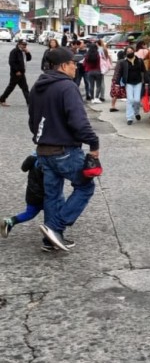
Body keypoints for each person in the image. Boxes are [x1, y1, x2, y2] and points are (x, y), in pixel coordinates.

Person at [28, 47, 100, 251]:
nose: (76, 67)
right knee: (85, 186)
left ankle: (50, 239)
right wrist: (93, 143)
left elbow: (32, 121)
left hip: (43, 150)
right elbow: (79, 121)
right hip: (64, 150)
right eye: (72, 63)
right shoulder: (67, 87)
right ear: (62, 66)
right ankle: (56, 227)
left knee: (53, 194)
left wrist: (42, 137)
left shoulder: (37, 87)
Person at [1, 155, 44, 243]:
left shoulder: (33, 157)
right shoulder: (49, 160)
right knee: (55, 211)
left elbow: (24, 168)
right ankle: (52, 233)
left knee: (30, 213)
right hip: (44, 194)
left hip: (31, 193)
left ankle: (9, 222)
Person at [0, 39, 32, 106]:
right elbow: (11, 62)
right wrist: (17, 71)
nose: (24, 46)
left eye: (25, 44)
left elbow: (28, 59)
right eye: (23, 44)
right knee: (11, 87)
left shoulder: (23, 52)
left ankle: (29, 102)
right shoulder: (14, 51)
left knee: (25, 88)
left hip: (22, 73)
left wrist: (27, 52)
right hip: (16, 73)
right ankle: (2, 99)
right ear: (19, 44)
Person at [120, 45, 146, 125]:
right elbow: (120, 73)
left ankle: (136, 112)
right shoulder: (124, 62)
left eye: (131, 51)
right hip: (128, 83)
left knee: (137, 100)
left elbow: (144, 71)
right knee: (130, 100)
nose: (129, 53)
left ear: (134, 51)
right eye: (127, 52)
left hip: (138, 82)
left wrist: (147, 82)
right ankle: (129, 117)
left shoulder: (140, 61)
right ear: (125, 53)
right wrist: (117, 83)